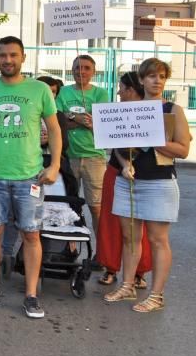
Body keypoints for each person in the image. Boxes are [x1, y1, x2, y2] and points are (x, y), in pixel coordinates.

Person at [0, 37, 61, 319]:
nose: (7, 60)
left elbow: (55, 130)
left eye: (13, 55)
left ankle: (32, 295)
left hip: (30, 177)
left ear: (23, 57)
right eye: (2, 55)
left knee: (31, 234)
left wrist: (55, 164)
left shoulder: (39, 90)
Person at [105, 58, 191, 312]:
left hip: (159, 183)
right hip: (128, 182)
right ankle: (127, 285)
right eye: (152, 76)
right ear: (142, 80)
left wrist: (153, 137)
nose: (157, 80)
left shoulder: (173, 110)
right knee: (130, 237)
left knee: (157, 240)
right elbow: (118, 146)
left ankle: (156, 295)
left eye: (162, 76)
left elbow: (183, 150)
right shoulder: (130, 108)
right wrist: (123, 164)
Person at [95, 72, 152, 288]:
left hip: (143, 174)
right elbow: (106, 138)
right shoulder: (115, 112)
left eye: (121, 88)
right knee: (110, 220)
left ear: (130, 90)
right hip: (115, 170)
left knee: (141, 223)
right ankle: (110, 268)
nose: (118, 92)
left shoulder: (151, 111)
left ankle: (140, 271)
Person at [55, 55, 109, 260]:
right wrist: (78, 118)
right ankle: (70, 248)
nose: (81, 71)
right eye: (77, 67)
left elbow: (101, 124)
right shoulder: (65, 92)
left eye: (86, 68)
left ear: (93, 71)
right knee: (69, 205)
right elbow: (60, 122)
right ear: (72, 70)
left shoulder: (100, 93)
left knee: (96, 207)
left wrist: (76, 118)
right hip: (69, 156)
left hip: (94, 157)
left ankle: (101, 253)